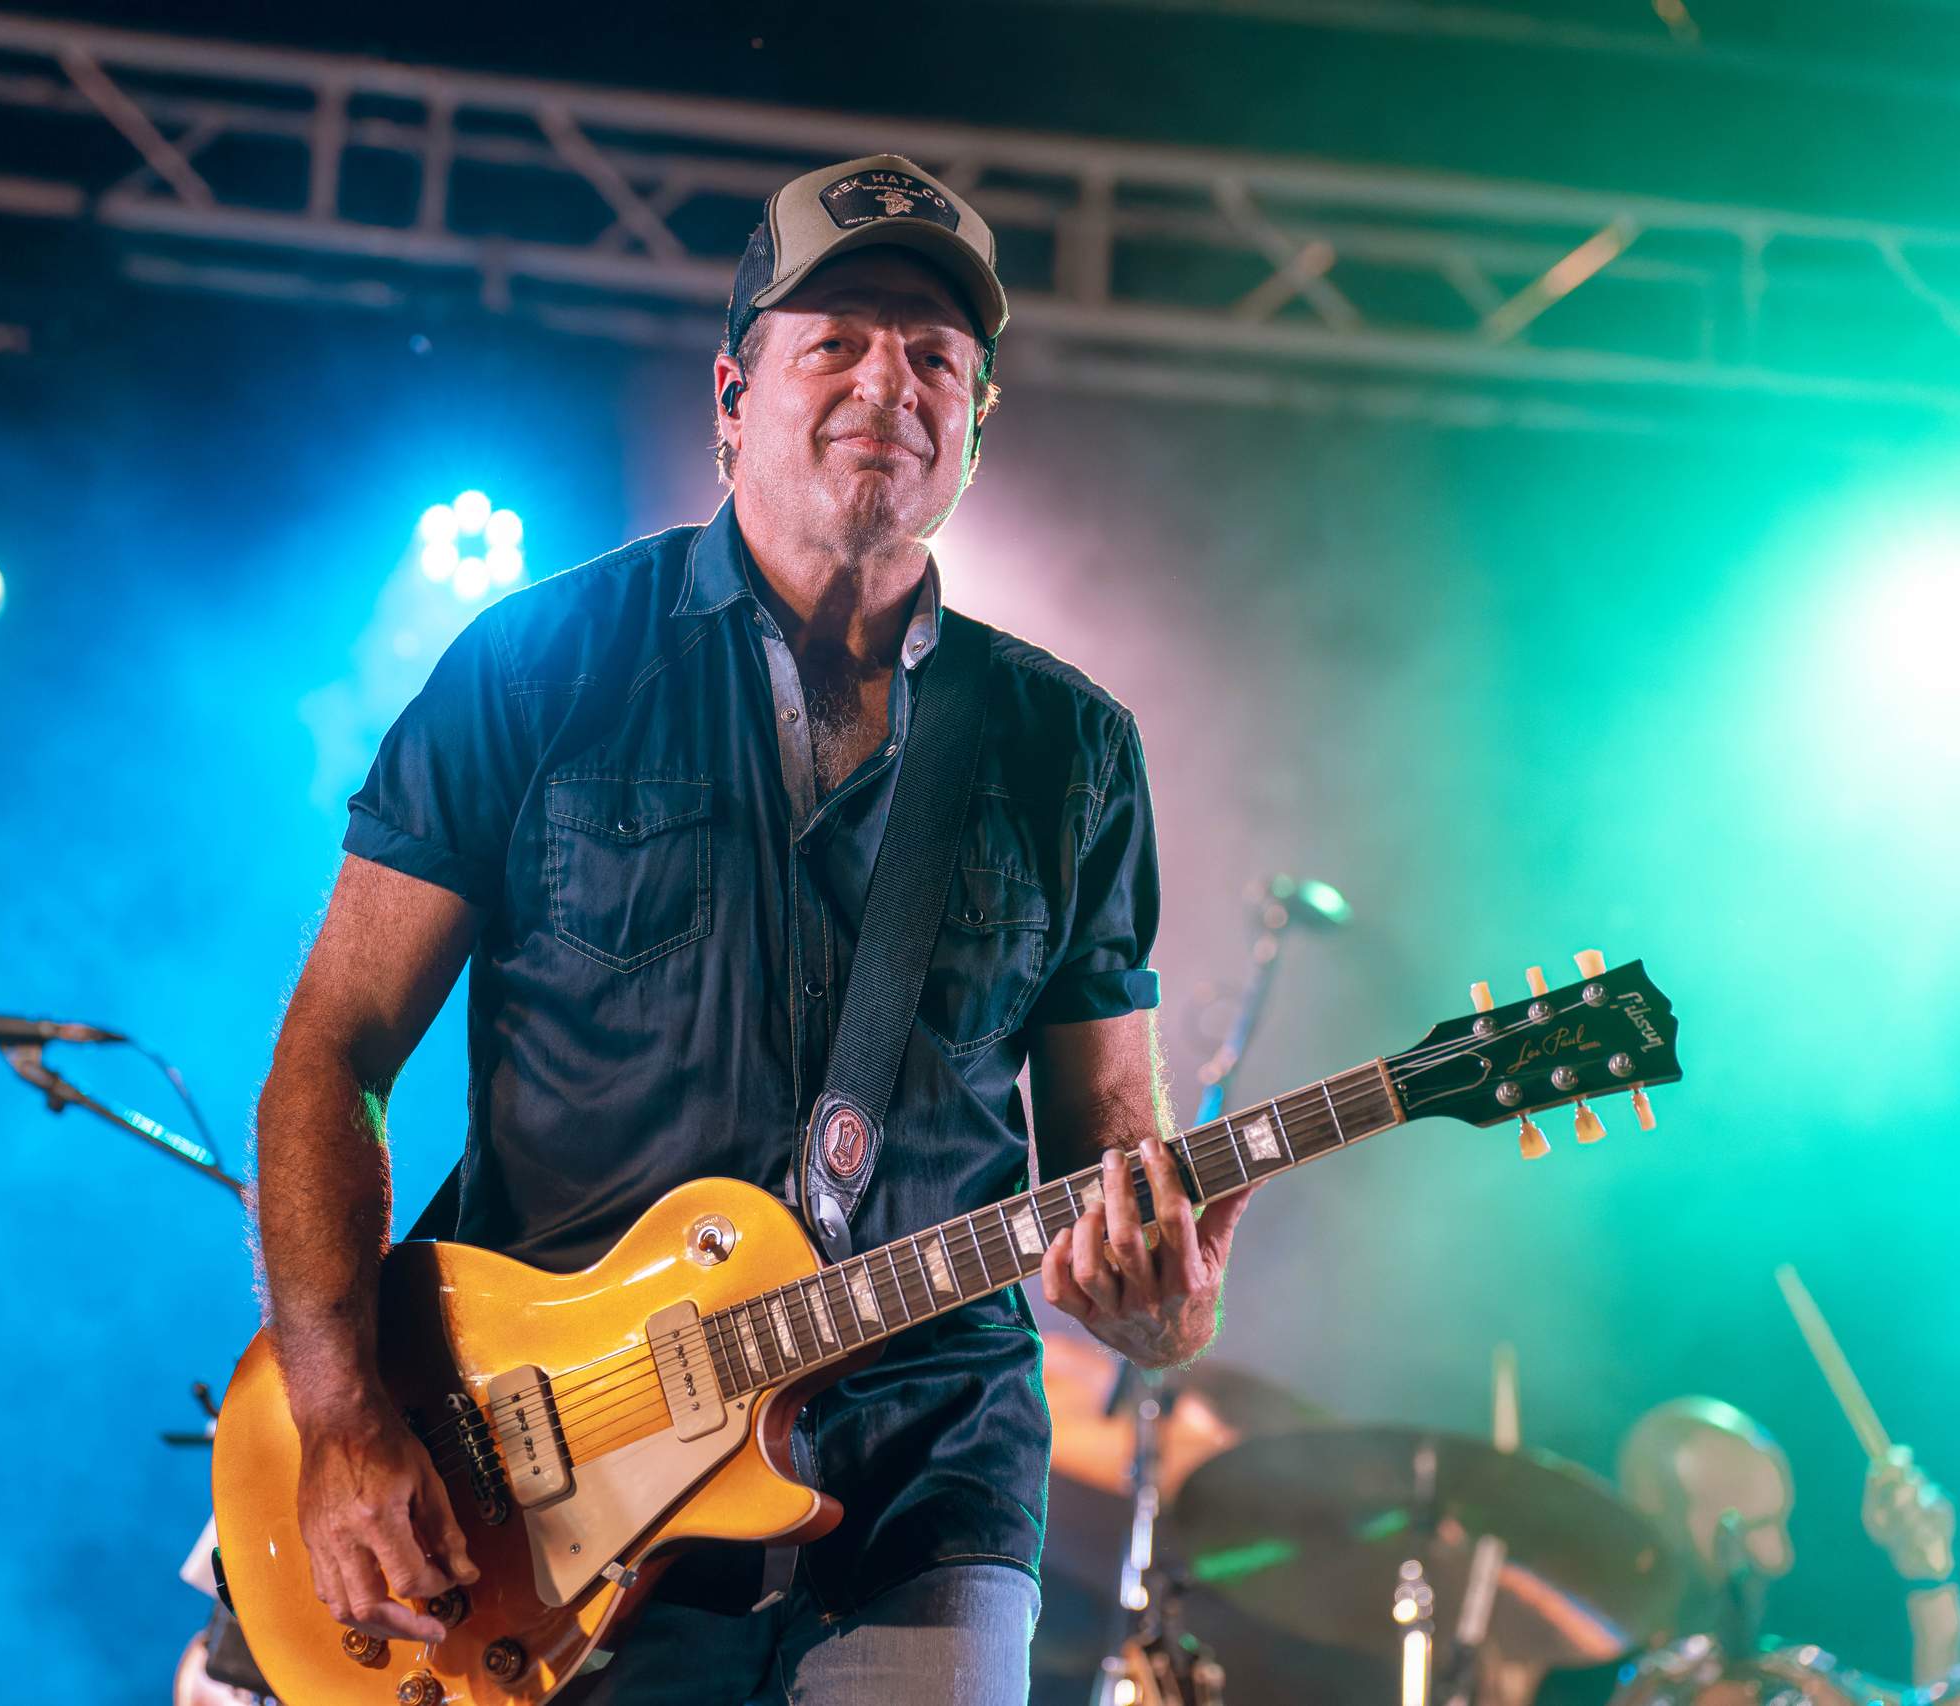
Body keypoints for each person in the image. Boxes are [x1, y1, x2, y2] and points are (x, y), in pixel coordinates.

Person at [250, 152, 1250, 1705]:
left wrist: (1163, 1296)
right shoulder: (538, 665)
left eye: (936, 355)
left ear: (979, 426)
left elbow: (1115, 1154)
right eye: (835, 339)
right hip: (552, 1481)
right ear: (732, 396)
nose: (889, 381)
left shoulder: (1072, 747)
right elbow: (335, 1048)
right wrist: (340, 1415)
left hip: (929, 1487)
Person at [1594, 1397, 1960, 1700]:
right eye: (1756, 1527)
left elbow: (1935, 1699)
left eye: (1781, 1521)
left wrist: (1929, 1578)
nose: (1781, 1558)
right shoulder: (1588, 1666)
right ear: (1667, 1529)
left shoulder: (1784, 1676)